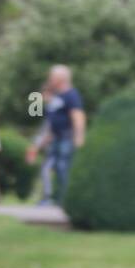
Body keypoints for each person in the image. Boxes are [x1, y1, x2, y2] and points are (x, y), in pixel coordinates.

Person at [26, 64, 86, 206]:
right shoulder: (55, 98)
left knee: (63, 168)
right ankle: (48, 198)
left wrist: (79, 137)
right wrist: (39, 145)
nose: (49, 80)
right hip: (55, 139)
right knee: (47, 168)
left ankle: (64, 199)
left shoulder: (71, 95)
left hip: (67, 138)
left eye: (51, 77)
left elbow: (78, 116)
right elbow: (50, 124)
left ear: (60, 79)